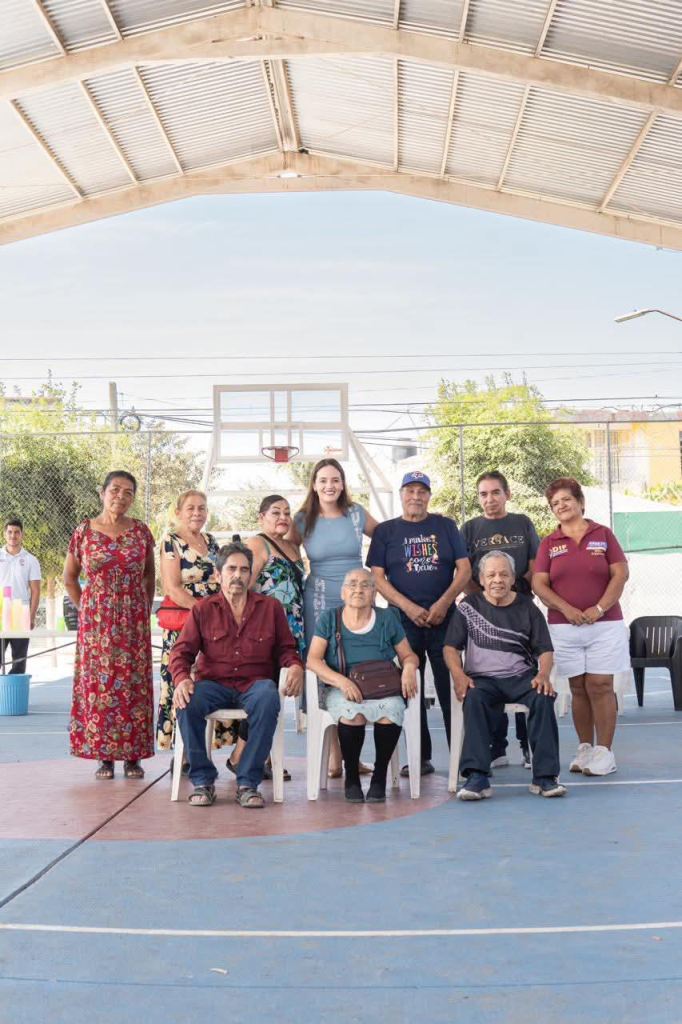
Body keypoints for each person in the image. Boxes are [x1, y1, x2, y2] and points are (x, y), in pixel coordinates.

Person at [169, 541, 303, 808]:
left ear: (251, 575)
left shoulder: (270, 608)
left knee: (267, 697)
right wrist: (181, 678)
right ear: (218, 575)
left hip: (254, 684)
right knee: (186, 702)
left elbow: (286, 649)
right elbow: (181, 652)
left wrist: (296, 666)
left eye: (244, 570)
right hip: (213, 684)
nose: (238, 575)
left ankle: (248, 783)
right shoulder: (202, 609)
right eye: (231, 569)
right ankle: (203, 780)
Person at [367, 470, 471, 776]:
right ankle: (419, 756)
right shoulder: (386, 531)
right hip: (403, 622)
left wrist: (444, 603)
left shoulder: (445, 526)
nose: (416, 496)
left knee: (451, 686)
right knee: (409, 688)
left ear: (429, 495)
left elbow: (464, 570)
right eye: (410, 491)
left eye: (422, 491)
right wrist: (408, 607)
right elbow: (377, 578)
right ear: (401, 494)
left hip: (444, 619)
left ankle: (463, 757)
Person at [444, 551, 565, 801]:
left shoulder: (528, 607)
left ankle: (545, 777)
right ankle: (477, 777)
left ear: (512, 578)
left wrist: (543, 674)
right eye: (490, 575)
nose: (497, 580)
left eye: (503, 574)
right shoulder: (468, 607)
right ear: (481, 579)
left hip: (522, 677)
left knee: (543, 697)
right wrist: (458, 674)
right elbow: (450, 648)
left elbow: (545, 649)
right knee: (473, 699)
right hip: (482, 679)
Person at [532, 477, 630, 778]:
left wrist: (598, 608)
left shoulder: (604, 534)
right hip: (564, 627)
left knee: (600, 685)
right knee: (577, 688)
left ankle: (605, 752)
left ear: (580, 502)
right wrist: (567, 609)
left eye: (566, 499)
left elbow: (620, 574)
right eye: (555, 503)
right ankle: (585, 748)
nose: (561, 505)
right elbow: (539, 584)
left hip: (606, 625)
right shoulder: (549, 542)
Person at [287, 458, 378, 777]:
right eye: (323, 480)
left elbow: (386, 537)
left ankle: (353, 755)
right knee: (325, 672)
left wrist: (376, 579)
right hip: (319, 601)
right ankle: (334, 756)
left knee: (356, 669)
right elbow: (283, 553)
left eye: (335, 480)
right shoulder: (303, 519)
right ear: (314, 485)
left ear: (343, 483)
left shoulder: (356, 513)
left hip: (357, 600)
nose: (330, 485)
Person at [63, 471, 155, 780]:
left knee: (132, 686)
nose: (121, 496)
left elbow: (149, 575)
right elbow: (69, 578)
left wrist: (142, 609)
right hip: (96, 625)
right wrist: (87, 610)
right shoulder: (84, 531)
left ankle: (133, 756)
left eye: (128, 492)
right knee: (99, 686)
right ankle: (104, 756)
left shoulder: (141, 532)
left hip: (133, 621)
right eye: (115, 489)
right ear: (102, 492)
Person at [307, 568, 419, 802]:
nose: (358, 589)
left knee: (391, 711)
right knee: (352, 714)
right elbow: (313, 660)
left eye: (365, 585)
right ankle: (352, 777)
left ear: (374, 593)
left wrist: (409, 669)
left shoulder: (387, 618)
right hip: (341, 687)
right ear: (343, 592)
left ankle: (379, 777)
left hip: (383, 687)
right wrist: (341, 681)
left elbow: (408, 655)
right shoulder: (329, 618)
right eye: (352, 584)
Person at [461, 471, 541, 770]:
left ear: (507, 494)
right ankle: (497, 747)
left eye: (495, 492)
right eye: (483, 494)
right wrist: (482, 600)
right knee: (490, 678)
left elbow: (534, 566)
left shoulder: (522, 523)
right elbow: (464, 571)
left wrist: (519, 597)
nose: (489, 499)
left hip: (519, 611)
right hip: (484, 615)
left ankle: (527, 746)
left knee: (523, 676)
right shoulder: (470, 528)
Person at [225, 494, 305, 780]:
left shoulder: (292, 546)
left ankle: (262, 757)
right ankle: (242, 756)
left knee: (275, 698)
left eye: (286, 512)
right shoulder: (258, 544)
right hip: (265, 631)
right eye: (275, 512)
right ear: (261, 517)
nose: (282, 517)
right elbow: (241, 587)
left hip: (292, 630)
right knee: (266, 694)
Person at [156, 490, 221, 750]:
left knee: (209, 682)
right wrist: (203, 612)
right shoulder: (170, 542)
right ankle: (183, 754)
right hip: (185, 625)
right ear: (178, 513)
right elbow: (172, 588)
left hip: (215, 625)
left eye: (201, 508)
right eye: (191, 508)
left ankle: (202, 751)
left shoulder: (212, 541)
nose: (197, 513)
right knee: (182, 682)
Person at [0, 518, 41, 674]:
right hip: (0, 614)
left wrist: (31, 617)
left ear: (22, 534)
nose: (13, 535)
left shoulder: (31, 560)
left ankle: (14, 690)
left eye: (17, 532)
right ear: (4, 534)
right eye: (10, 532)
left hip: (20, 616)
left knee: (19, 662)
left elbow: (35, 591)